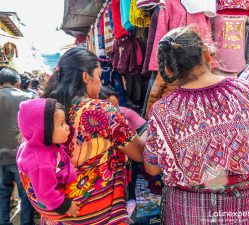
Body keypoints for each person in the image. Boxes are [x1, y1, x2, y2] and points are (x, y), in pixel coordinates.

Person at [143, 27, 249, 225]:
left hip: (187, 209)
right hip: (247, 206)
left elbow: (152, 168)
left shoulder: (162, 110)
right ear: (207, 54)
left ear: (168, 70)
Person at [41, 48, 144, 225]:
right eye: (99, 76)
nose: (101, 83)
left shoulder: (44, 110)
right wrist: (149, 127)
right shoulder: (99, 110)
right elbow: (140, 153)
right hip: (97, 214)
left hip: (58, 214)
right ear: (85, 77)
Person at [17, 98, 80, 219]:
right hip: (61, 203)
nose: (67, 127)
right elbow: (45, 193)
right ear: (42, 131)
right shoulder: (40, 163)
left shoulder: (41, 144)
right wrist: (65, 206)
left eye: (65, 122)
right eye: (61, 124)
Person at [0, 68, 35, 225]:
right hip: (22, 158)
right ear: (18, 83)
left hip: (1, 160)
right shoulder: (27, 98)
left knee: (2, 195)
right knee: (26, 195)